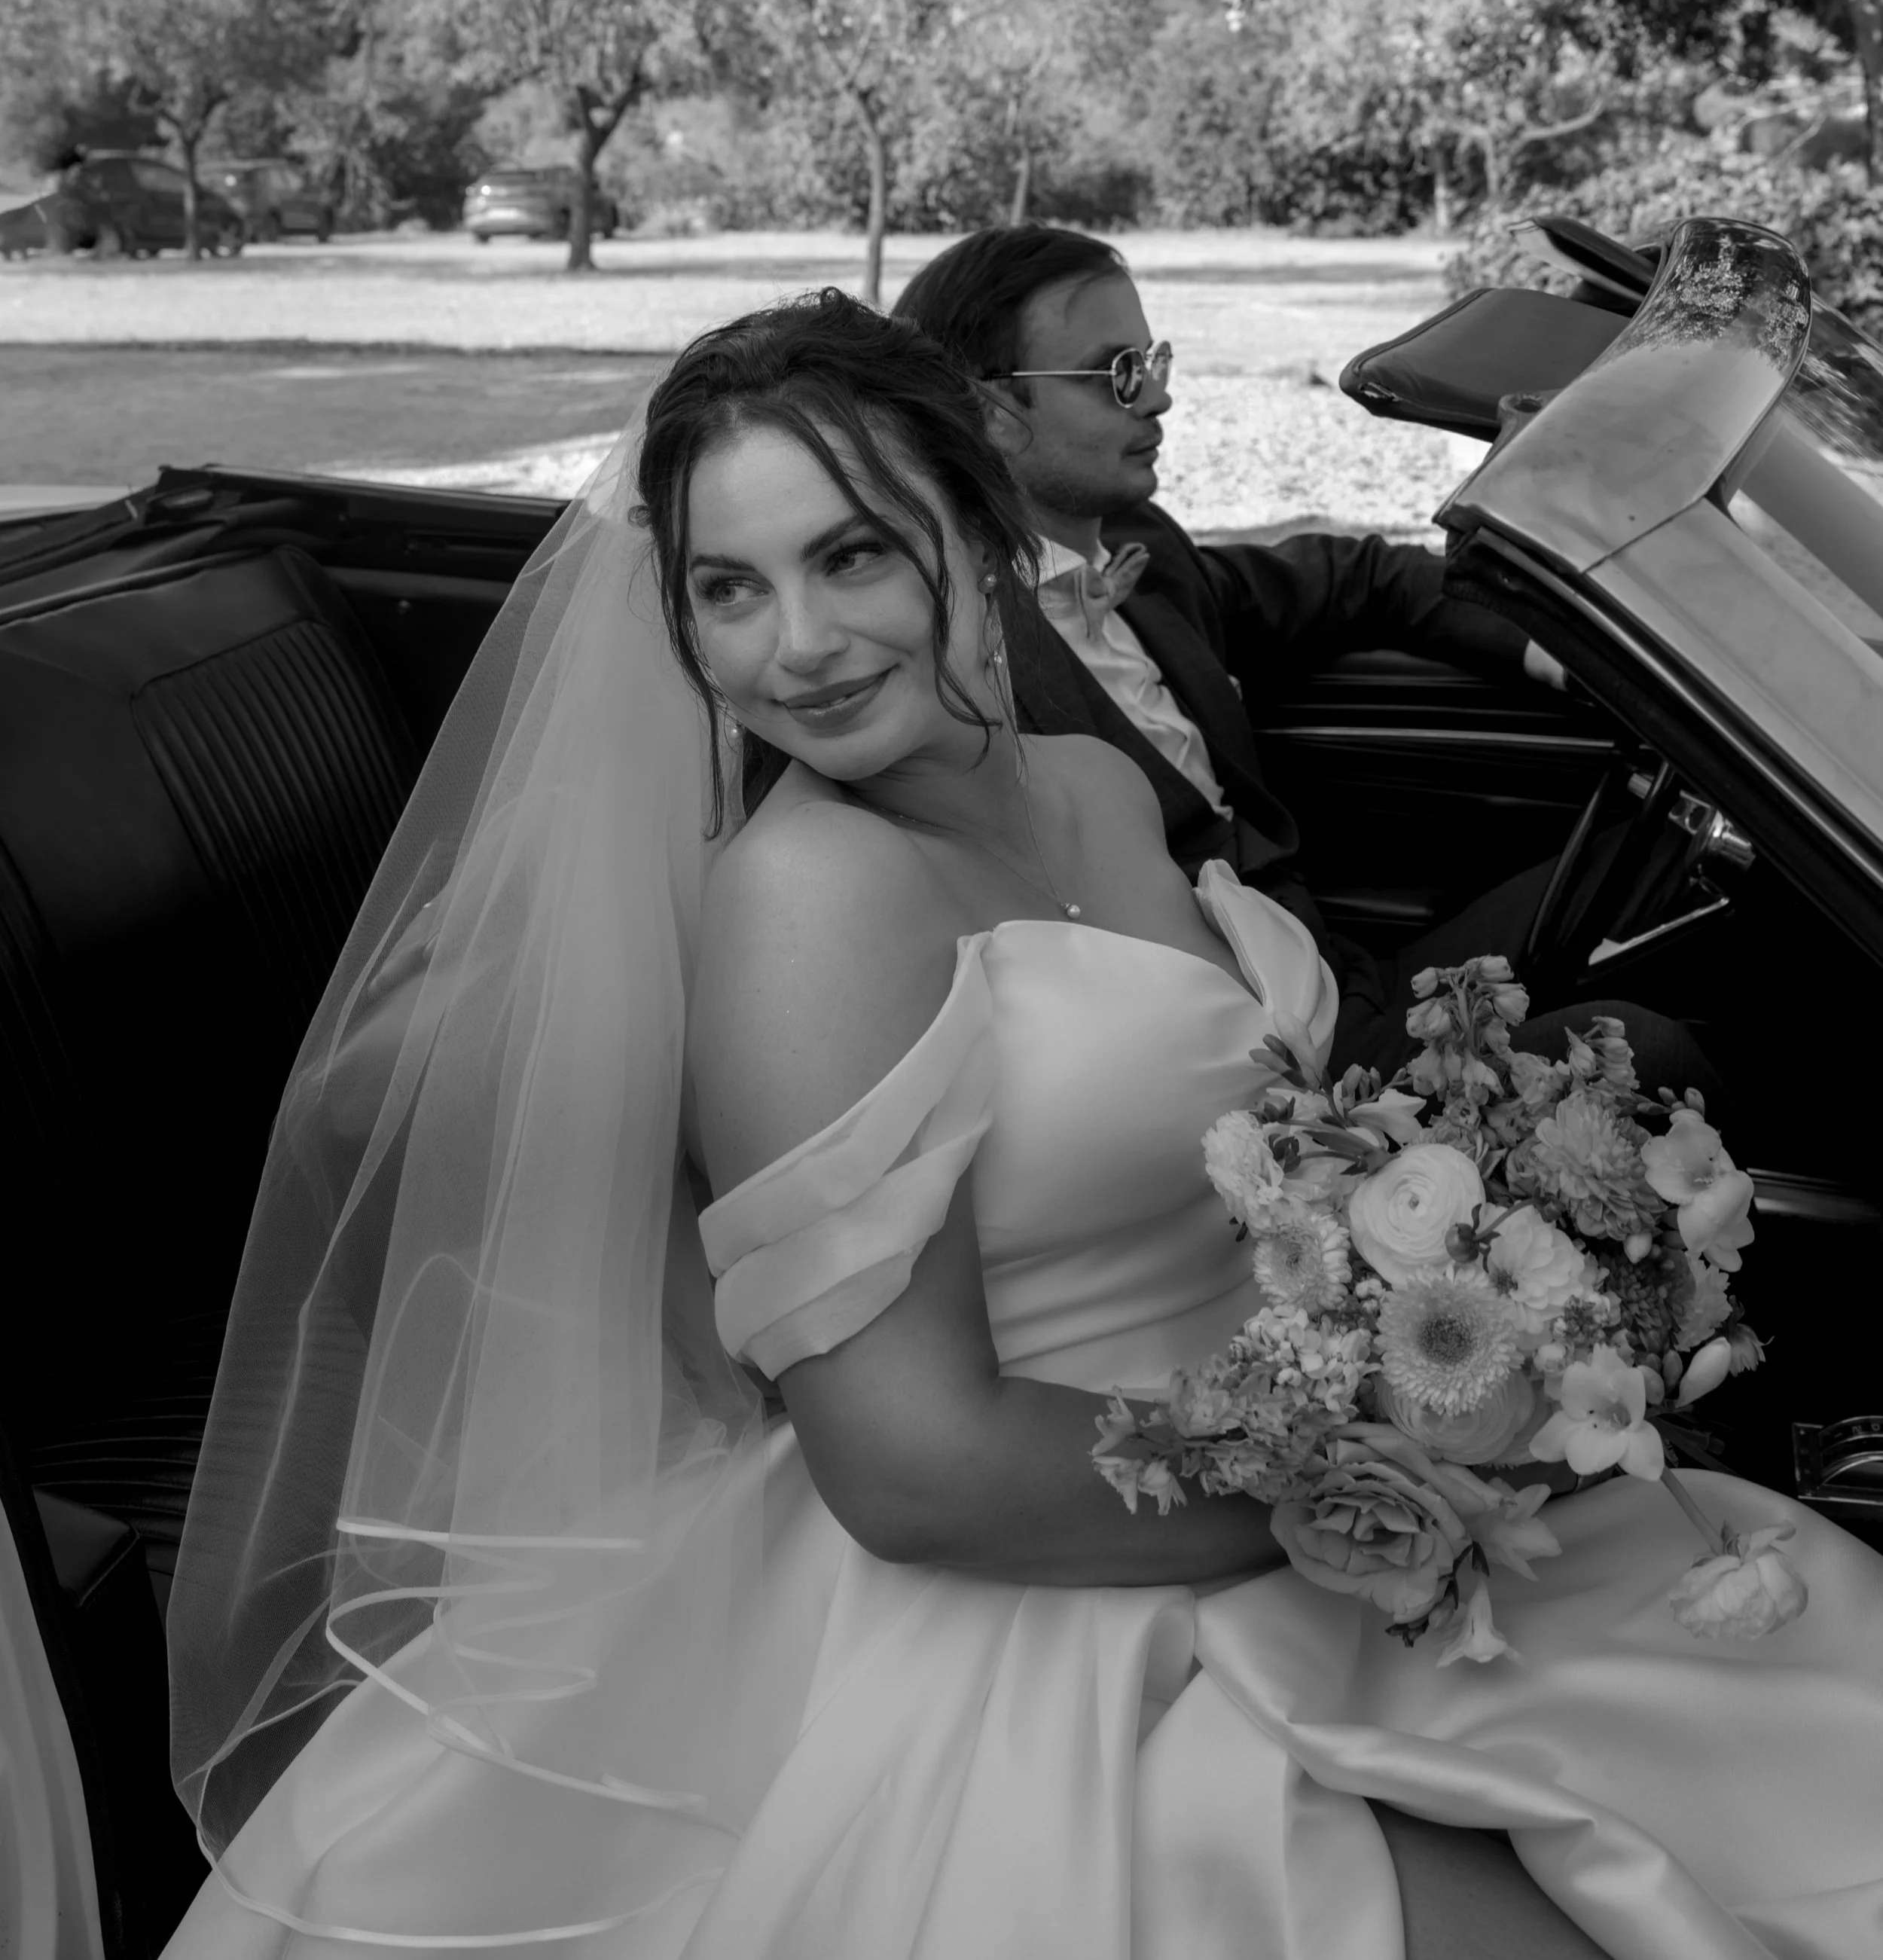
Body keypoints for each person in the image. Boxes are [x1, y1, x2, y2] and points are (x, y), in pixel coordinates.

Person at [162, 292, 1883, 1960]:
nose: (800, 644)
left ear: (981, 536)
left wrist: (1495, 1302)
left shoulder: (1092, 787)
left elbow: (1256, 1150)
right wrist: (1408, 1475)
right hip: (1058, 1589)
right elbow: (916, 1472)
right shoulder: (807, 907)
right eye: (728, 589)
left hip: (1293, 1471)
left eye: (854, 555)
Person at [894, 224, 1701, 1085]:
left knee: (1679, 855)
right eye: (1119, 374)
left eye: (1154, 361)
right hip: (1257, 1067)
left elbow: (1355, 576)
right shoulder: (950, 663)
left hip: (1343, 976)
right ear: (991, 414)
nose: (1159, 401)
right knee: (1647, 1055)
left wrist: (1557, 646)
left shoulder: (1145, 554)